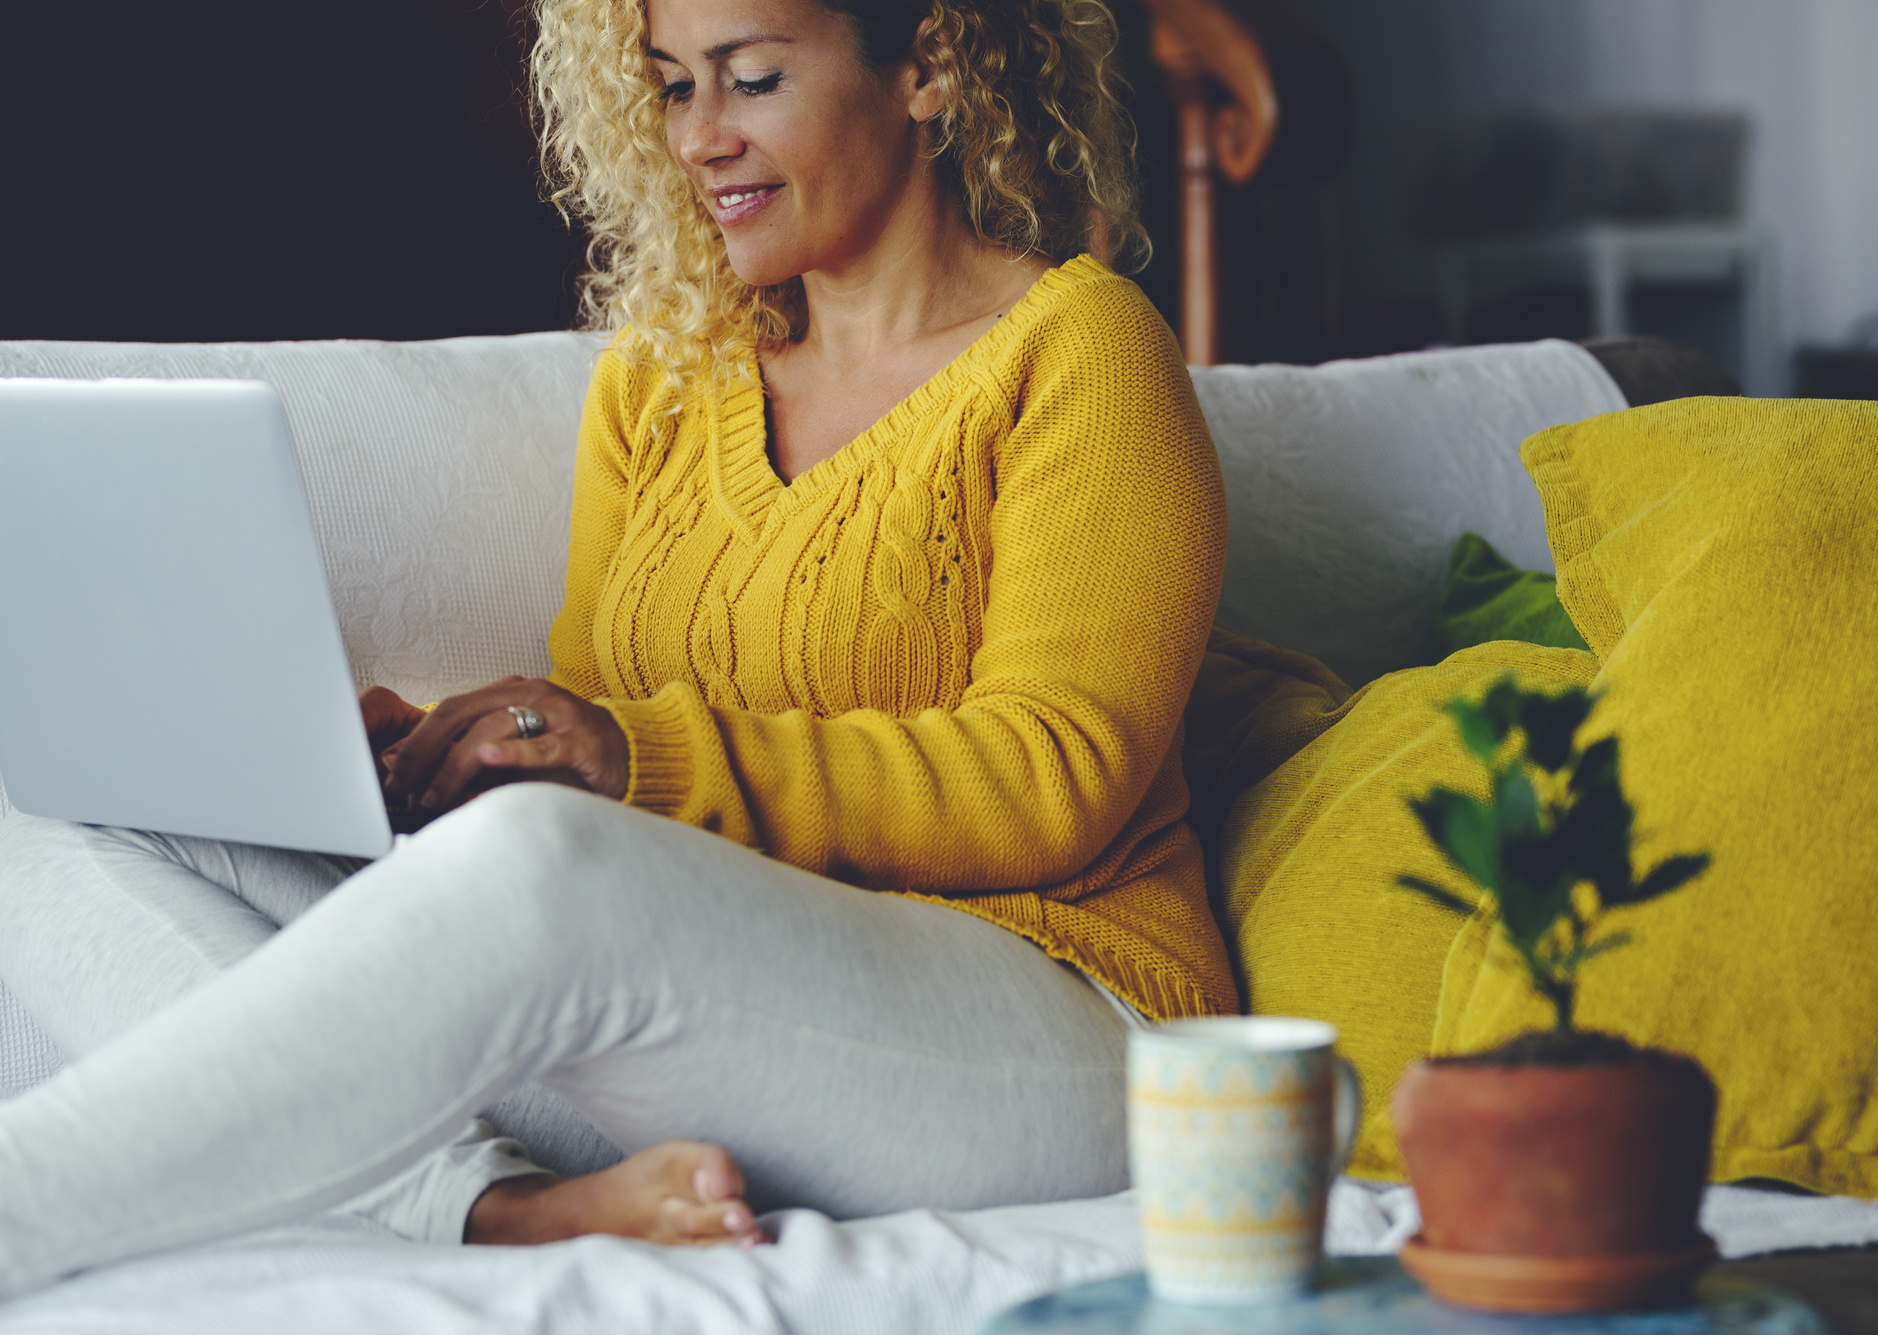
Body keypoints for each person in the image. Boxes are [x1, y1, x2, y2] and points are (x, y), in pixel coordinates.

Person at [0, 0, 1233, 1295]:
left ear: (929, 64)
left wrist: (615, 766)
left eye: (749, 81)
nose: (700, 139)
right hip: (710, 1026)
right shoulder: (663, 380)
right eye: (668, 88)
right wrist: (450, 761)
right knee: (64, 808)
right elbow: (601, 729)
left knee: (546, 859)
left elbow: (1056, 777)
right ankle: (495, 1206)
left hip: (1064, 1028)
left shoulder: (1079, 350)